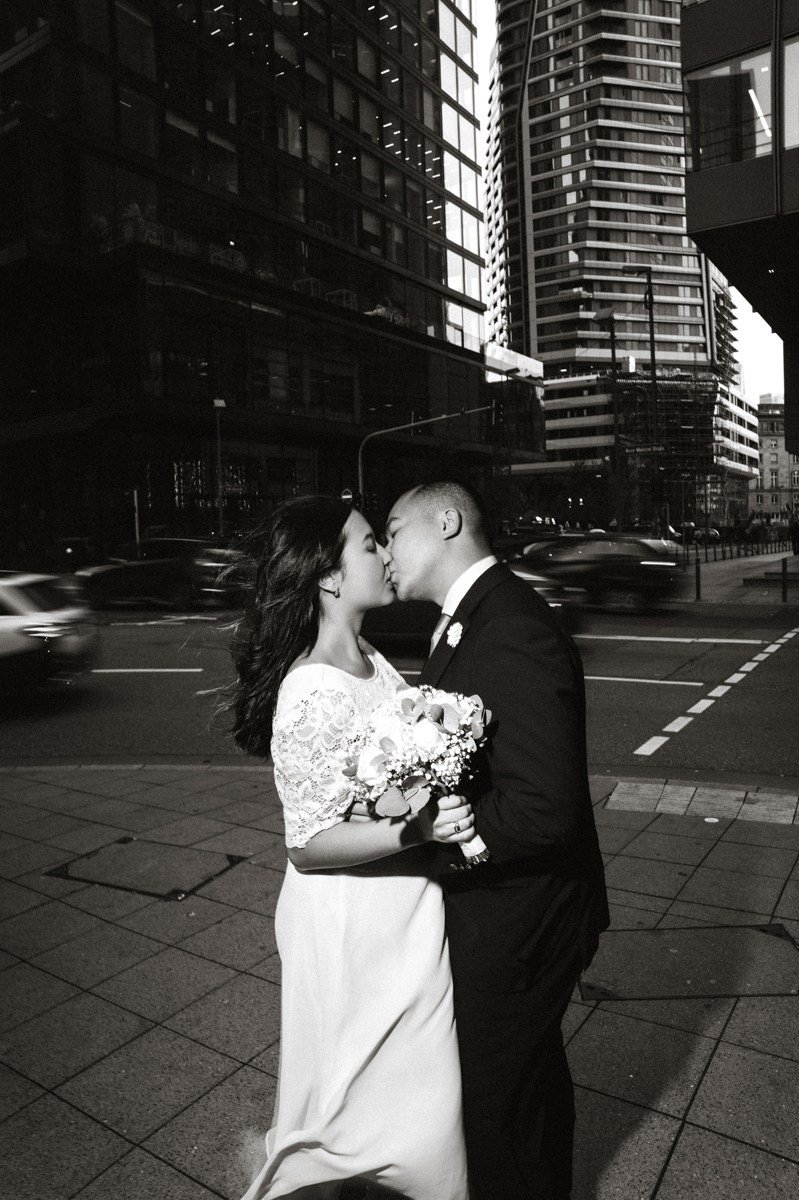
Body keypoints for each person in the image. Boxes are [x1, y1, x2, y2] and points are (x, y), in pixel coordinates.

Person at [231, 495, 472, 1200]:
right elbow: (306, 845)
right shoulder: (310, 688)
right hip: (349, 921)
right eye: (370, 544)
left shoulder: (367, 654)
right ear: (329, 577)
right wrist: (416, 829)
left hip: (400, 909)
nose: (384, 555)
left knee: (412, 1098)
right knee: (367, 1105)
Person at [385, 481, 610, 1200]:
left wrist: (440, 847)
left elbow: (546, 809)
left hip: (522, 918)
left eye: (393, 530)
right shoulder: (469, 618)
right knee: (526, 1092)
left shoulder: (507, 623)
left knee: (494, 1112)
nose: (386, 550)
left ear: (445, 521)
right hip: (516, 913)